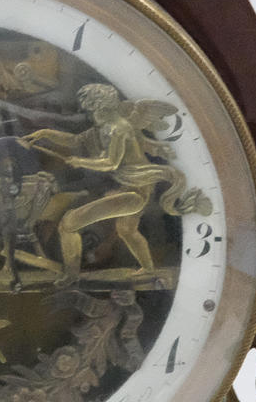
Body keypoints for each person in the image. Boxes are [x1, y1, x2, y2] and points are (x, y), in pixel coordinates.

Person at [18, 83, 167, 282]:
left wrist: (81, 162)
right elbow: (74, 141)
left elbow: (111, 163)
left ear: (98, 106)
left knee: (69, 223)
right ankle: (149, 270)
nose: (87, 112)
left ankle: (71, 276)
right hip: (134, 188)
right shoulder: (103, 129)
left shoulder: (118, 129)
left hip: (137, 191)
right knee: (126, 230)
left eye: (88, 107)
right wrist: (45, 133)